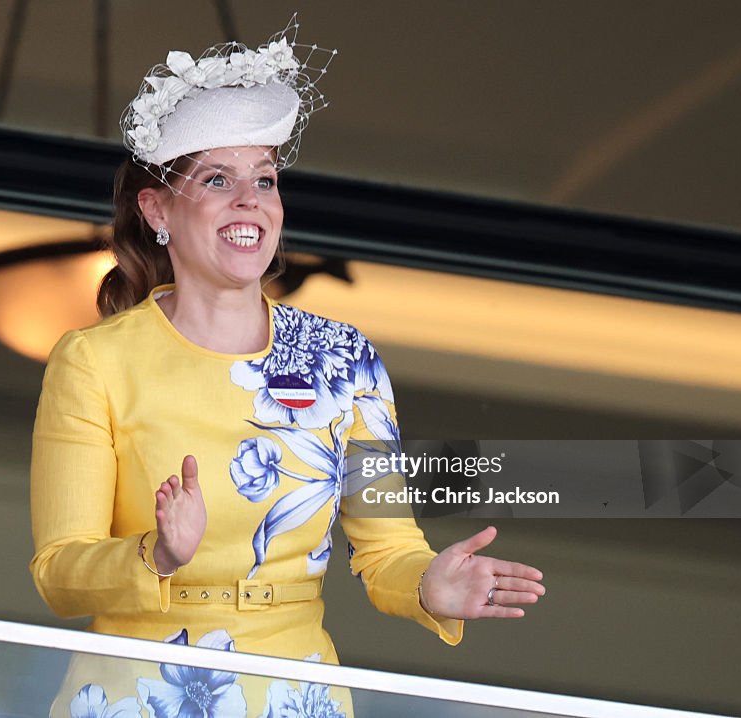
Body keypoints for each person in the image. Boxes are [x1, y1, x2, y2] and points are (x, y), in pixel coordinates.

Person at [30, 17, 544, 717]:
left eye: (265, 180)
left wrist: (430, 587)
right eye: (217, 179)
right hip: (137, 694)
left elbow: (388, 550)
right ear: (157, 210)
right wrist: (154, 554)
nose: (250, 201)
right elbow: (59, 574)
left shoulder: (344, 359)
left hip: (295, 695)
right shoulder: (94, 362)